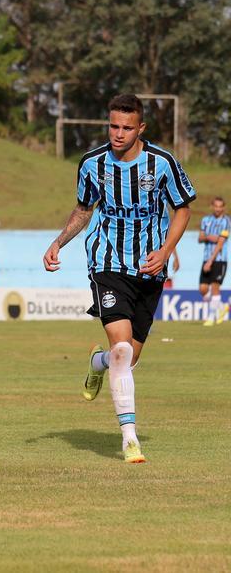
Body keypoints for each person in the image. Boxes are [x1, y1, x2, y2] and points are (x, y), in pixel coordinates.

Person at [43, 94, 194, 463]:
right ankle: (129, 437)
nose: (118, 133)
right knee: (123, 350)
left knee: (127, 357)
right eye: (113, 126)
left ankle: (98, 364)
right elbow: (84, 209)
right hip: (107, 262)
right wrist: (58, 241)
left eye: (127, 127)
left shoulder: (162, 163)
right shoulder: (92, 163)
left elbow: (183, 209)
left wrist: (166, 251)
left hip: (149, 268)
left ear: (141, 128)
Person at [199, 196, 229, 326]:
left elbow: (220, 243)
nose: (218, 208)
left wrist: (211, 261)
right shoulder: (206, 220)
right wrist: (210, 237)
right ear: (212, 206)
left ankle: (211, 318)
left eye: (220, 206)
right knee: (203, 289)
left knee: (215, 287)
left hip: (219, 260)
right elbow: (200, 238)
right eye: (215, 206)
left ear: (223, 207)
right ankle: (222, 307)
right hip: (206, 258)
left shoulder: (226, 221)